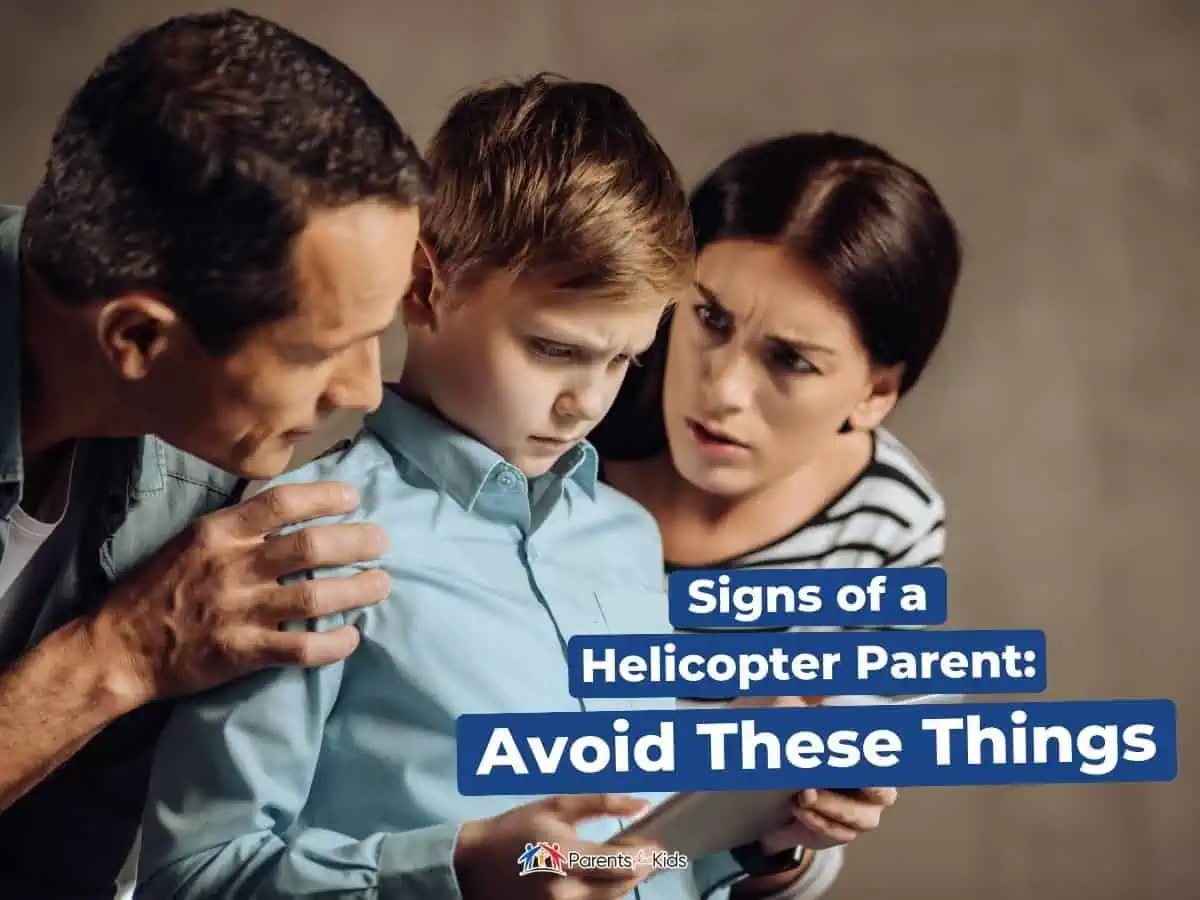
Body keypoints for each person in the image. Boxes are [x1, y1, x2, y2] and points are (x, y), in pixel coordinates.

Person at [134, 75, 896, 900]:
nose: (587, 402)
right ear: (427, 286)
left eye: (624, 360)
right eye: (553, 349)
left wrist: (757, 840)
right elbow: (196, 876)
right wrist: (454, 871)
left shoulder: (626, 540)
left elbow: (628, 862)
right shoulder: (309, 543)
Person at [0, 9, 433, 898]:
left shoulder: (223, 462)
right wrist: (117, 656)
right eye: (318, 352)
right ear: (137, 340)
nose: (361, 390)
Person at [589, 132, 964, 897]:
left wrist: (785, 841)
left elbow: (760, 865)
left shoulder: (887, 522)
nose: (721, 388)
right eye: (711, 318)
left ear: (876, 393)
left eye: (790, 359)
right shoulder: (559, 425)